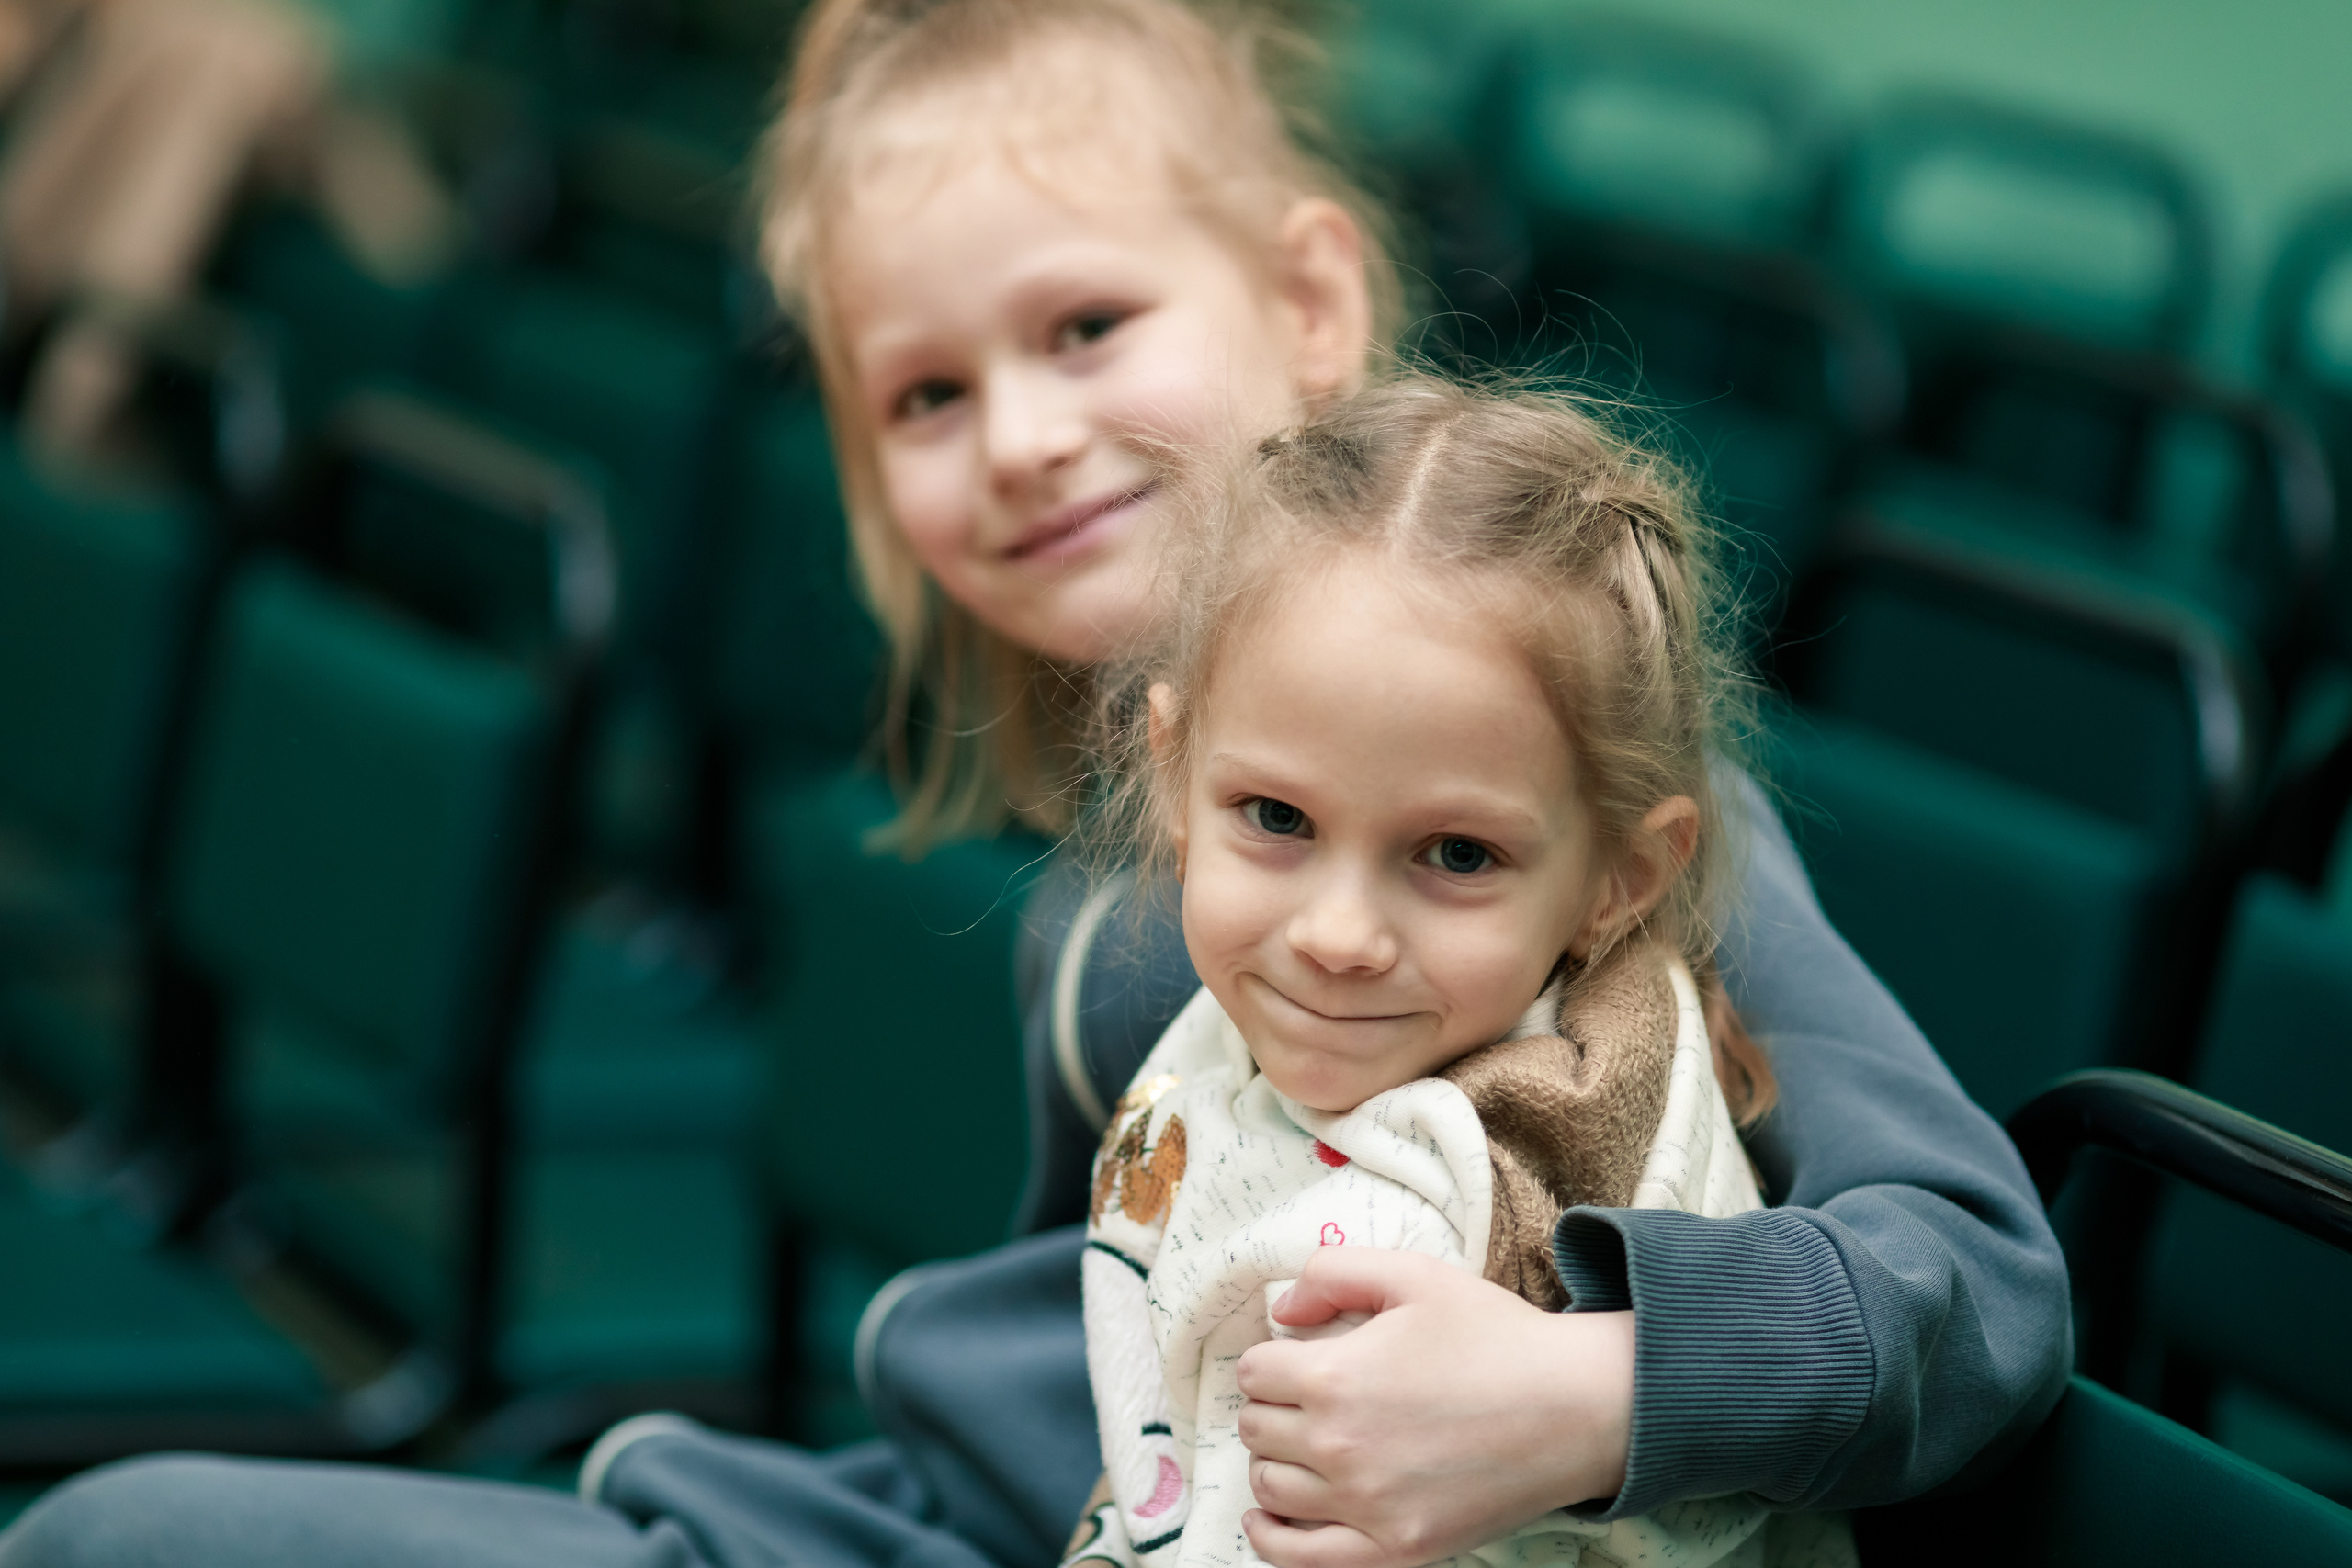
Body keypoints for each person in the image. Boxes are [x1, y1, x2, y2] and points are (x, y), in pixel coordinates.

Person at [0, 2, 2070, 1564]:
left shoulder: (1562, 799)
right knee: (122, 1533)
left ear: (1306, 303)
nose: (1014, 436)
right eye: (926, 391)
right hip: (947, 1510)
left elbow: (1975, 1274)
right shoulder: (1137, 768)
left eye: (1084, 326)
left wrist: (1582, 1386)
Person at [1065, 375, 1853, 1568]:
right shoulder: (1341, 1037)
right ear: (1175, 777)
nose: (1339, 934)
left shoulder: (1463, 1211)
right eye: (1276, 816)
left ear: (1620, 882)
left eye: (1456, 853)